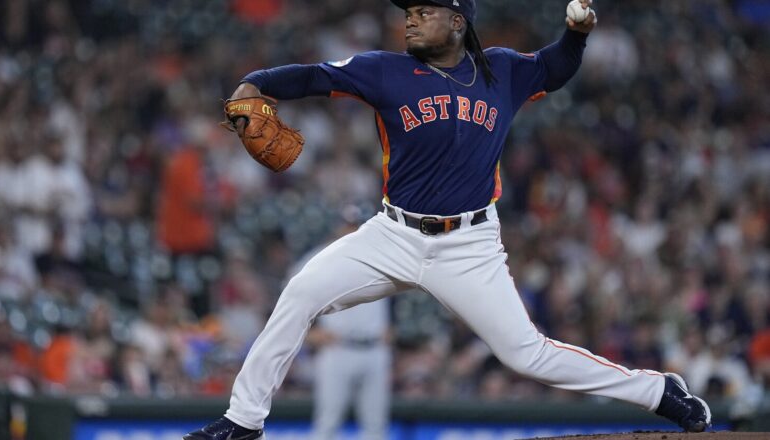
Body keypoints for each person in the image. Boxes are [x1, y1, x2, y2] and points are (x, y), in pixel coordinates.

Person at [185, 1, 711, 439]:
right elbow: (313, 75)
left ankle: (658, 391)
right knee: (300, 292)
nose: (410, 19)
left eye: (424, 10)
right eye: (408, 11)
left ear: (458, 21)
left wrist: (576, 34)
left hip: (470, 244)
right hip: (391, 234)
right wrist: (254, 82)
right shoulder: (385, 70)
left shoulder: (501, 70)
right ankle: (244, 421)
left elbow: (555, 67)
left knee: (526, 355)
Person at [290, 208, 392, 440]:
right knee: (327, 423)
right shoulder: (318, 258)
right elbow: (290, 297)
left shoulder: (383, 255)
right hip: (338, 349)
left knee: (376, 427)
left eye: (355, 224)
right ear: (336, 227)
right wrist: (308, 333)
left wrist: (393, 325)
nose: (351, 229)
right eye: (347, 224)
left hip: (375, 349)